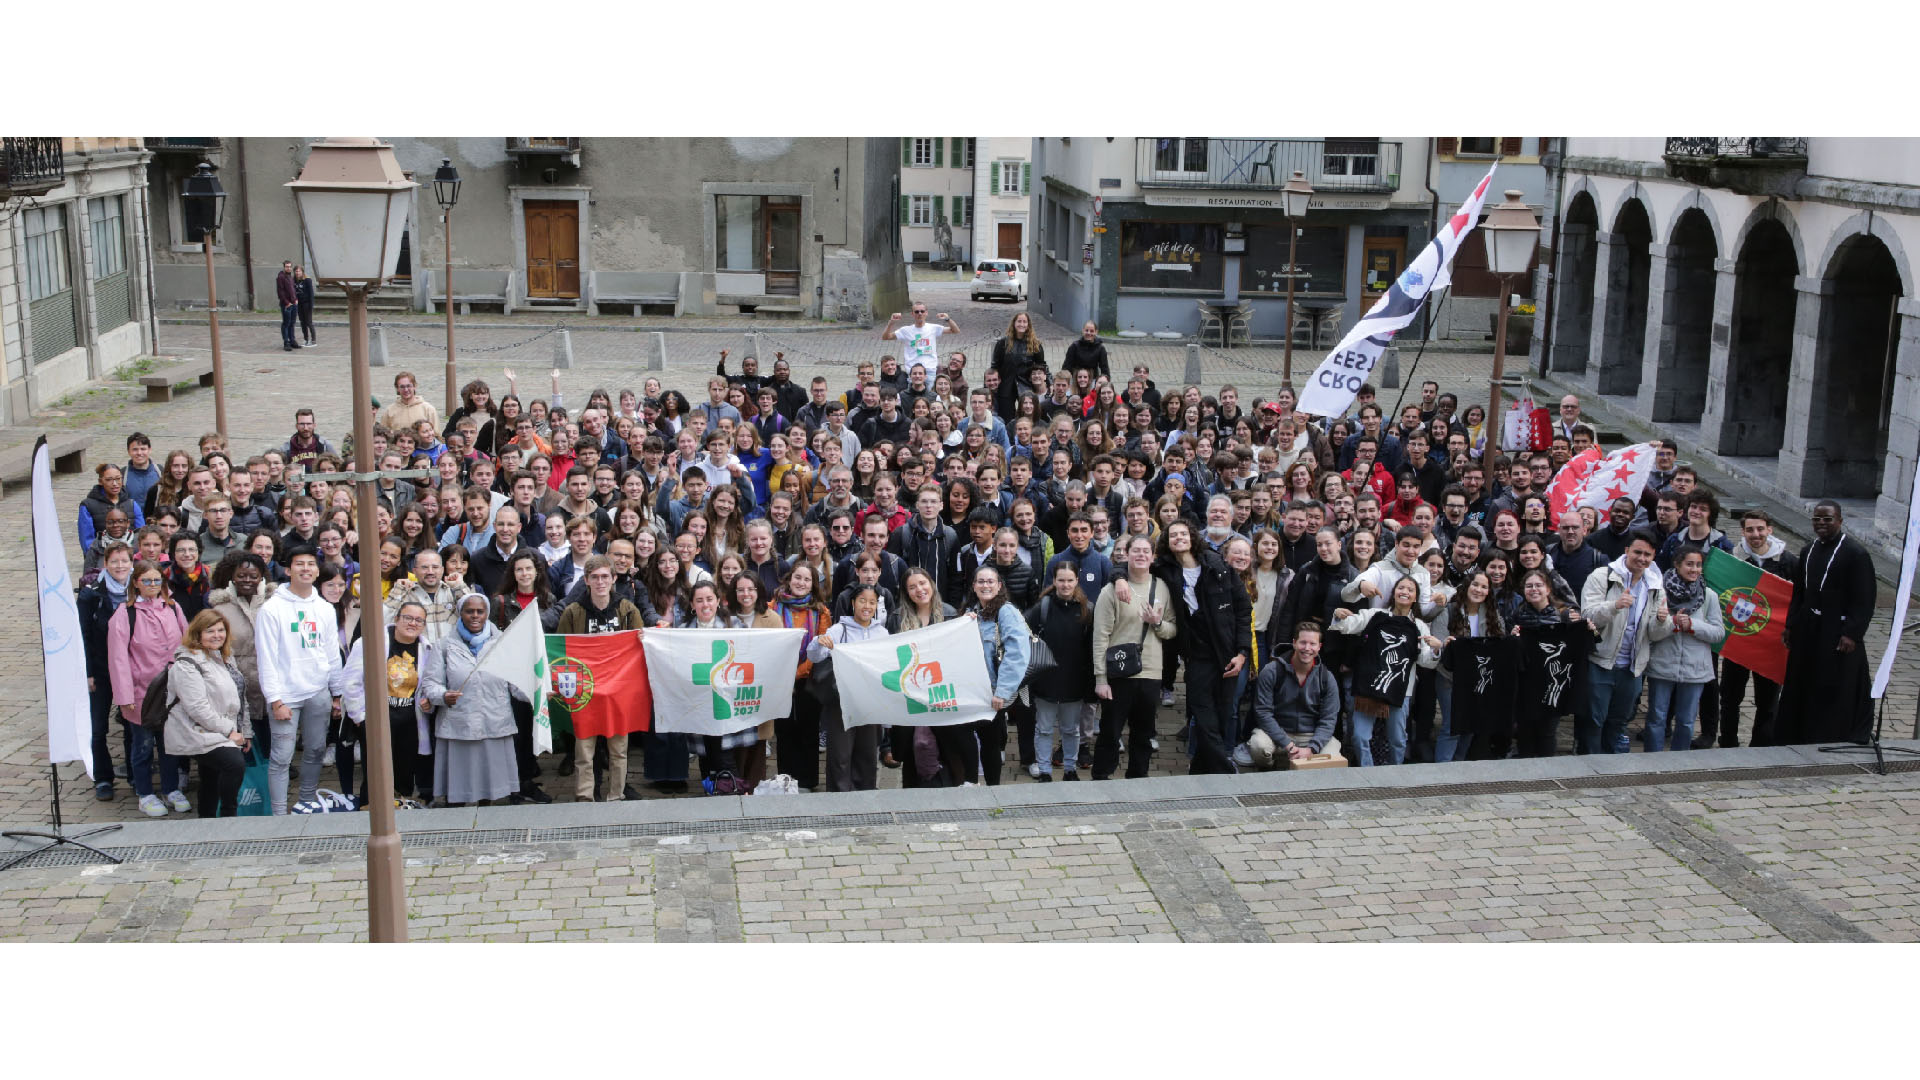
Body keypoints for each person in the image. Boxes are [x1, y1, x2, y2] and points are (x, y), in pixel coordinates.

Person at [1778, 501, 1876, 745]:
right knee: (1804, 681)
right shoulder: (1808, 550)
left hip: (1837, 629)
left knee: (1832, 685)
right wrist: (1791, 624)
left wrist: (1851, 633)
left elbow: (1864, 598)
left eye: (1827, 519)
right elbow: (1800, 591)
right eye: (1817, 519)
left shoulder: (1856, 554)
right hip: (1810, 626)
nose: (1821, 524)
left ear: (1840, 521)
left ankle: (1831, 733)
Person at [254, 545, 344, 814]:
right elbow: (266, 659)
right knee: (281, 757)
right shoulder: (272, 610)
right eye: (299, 564)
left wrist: (336, 693)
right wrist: (275, 698)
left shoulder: (325, 608)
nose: (305, 569)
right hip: (285, 696)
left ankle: (306, 802)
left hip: (318, 691)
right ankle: (279, 813)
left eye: (310, 564)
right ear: (287, 569)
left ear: (317, 570)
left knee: (316, 750)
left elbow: (331, 653)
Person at [555, 556, 649, 802]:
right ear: (586, 580)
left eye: (605, 576)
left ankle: (616, 795)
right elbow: (561, 649)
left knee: (619, 749)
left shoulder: (627, 609)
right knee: (584, 750)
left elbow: (641, 646)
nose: (600, 582)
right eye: (594, 577)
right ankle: (585, 795)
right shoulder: (573, 612)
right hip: (585, 690)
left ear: (613, 578)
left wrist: (642, 639)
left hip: (618, 689)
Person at [417, 594, 524, 806]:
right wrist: (443, 696)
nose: (475, 616)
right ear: (460, 613)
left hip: (494, 722)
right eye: (469, 611)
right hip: (459, 725)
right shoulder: (444, 645)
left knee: (488, 788)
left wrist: (539, 693)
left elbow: (516, 684)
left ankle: (484, 822)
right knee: (457, 788)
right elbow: (430, 684)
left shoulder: (503, 642)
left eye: (480, 611)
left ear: (487, 614)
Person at [1330, 576, 1443, 767]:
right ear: (1394, 592)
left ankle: (1394, 773)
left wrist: (1436, 649)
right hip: (1368, 688)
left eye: (1410, 589)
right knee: (1359, 736)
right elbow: (1347, 626)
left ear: (1415, 597)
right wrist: (1338, 615)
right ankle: (1368, 772)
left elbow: (1426, 662)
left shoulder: (1419, 627)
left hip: (1401, 693)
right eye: (1401, 588)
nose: (1405, 592)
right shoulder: (1374, 616)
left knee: (1398, 740)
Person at [107, 558, 191, 816]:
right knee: (142, 747)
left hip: (172, 691)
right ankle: (144, 793)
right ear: (136, 583)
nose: (152, 585)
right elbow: (118, 658)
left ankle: (170, 788)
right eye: (147, 580)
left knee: (169, 744)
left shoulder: (173, 608)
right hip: (141, 691)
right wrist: (124, 695)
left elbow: (187, 646)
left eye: (157, 580)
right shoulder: (125, 614)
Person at [1580, 530, 1672, 755]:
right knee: (1593, 720)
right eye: (1637, 552)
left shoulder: (1655, 585)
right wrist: (1614, 606)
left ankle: (1612, 769)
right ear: (1626, 551)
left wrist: (1662, 621)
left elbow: (1656, 633)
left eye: (1647, 555)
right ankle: (1587, 765)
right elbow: (1587, 615)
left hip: (1632, 668)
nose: (1642, 559)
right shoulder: (1602, 576)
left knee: (1619, 721)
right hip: (1600, 662)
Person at [1709, 509, 1793, 749]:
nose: (1755, 535)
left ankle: (1761, 745)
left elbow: (1797, 599)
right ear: (1742, 532)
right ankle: (1728, 741)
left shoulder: (1787, 562)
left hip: (1770, 643)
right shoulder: (1732, 559)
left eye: (1760, 529)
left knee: (1767, 700)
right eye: (1749, 530)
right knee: (1730, 697)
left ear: (1770, 529)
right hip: (1740, 640)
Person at [163, 610, 252, 817]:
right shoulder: (186, 664)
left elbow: (240, 697)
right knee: (233, 764)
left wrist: (245, 731)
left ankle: (207, 820)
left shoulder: (225, 657)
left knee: (210, 777)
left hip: (222, 729)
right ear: (197, 634)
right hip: (196, 730)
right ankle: (229, 816)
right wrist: (230, 732)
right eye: (210, 631)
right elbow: (197, 708)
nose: (217, 635)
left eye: (221, 630)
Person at [1644, 545, 1726, 752]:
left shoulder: (1709, 596)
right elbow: (1651, 632)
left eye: (1698, 565)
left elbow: (1718, 633)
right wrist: (1671, 623)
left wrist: (1693, 626)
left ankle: (1680, 760)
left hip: (1695, 668)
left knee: (1687, 720)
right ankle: (1652, 758)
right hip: (1663, 664)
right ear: (1677, 565)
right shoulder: (1659, 592)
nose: (1694, 569)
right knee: (1656, 717)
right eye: (1689, 564)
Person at [807, 583, 887, 792]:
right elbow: (814, 656)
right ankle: (839, 798)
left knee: (868, 753)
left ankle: (865, 794)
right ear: (853, 603)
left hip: (870, 702)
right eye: (862, 601)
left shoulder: (882, 633)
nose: (867, 606)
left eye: (872, 602)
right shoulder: (839, 629)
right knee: (840, 754)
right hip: (841, 702)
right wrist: (820, 642)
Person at [1508, 567, 1587, 757]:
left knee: (1547, 732)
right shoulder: (1516, 616)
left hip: (1553, 682)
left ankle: (1547, 772)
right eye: (1529, 586)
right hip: (1526, 684)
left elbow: (1584, 644)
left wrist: (1590, 630)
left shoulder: (1564, 616)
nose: (1534, 589)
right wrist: (1512, 638)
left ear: (1548, 589)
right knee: (1525, 731)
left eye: (1538, 585)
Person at [1027, 562, 1095, 782]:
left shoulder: (1087, 610)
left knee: (1070, 729)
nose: (1065, 585)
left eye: (1070, 580)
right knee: (1044, 728)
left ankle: (1070, 768)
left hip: (1074, 679)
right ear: (1054, 581)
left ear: (1077, 581)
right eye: (1061, 580)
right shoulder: (1043, 607)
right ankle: (1045, 770)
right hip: (1046, 679)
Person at [1242, 620, 1342, 768]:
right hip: (1276, 733)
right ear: (1294, 643)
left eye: (1312, 644)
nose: (1307, 648)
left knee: (1333, 757)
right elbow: (1263, 712)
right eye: (1303, 642)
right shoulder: (1272, 671)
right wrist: (1288, 745)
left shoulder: (1327, 678)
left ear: (1319, 647)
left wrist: (1312, 748)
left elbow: (1329, 719)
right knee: (1259, 746)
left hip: (1311, 735)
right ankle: (1271, 769)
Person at [769, 563, 832, 790]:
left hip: (809, 679)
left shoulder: (821, 612)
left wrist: (798, 671)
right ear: (789, 579)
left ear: (813, 585)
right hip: (779, 678)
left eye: (807, 580)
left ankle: (807, 780)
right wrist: (785, 672)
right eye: (798, 577)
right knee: (784, 732)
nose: (801, 583)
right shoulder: (773, 607)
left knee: (808, 730)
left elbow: (822, 646)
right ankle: (786, 780)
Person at [879, 302, 959, 377]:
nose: (920, 313)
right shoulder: (906, 330)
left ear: (926, 313)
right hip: (913, 371)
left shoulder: (933, 328)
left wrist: (948, 319)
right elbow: (886, 337)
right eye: (917, 312)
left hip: (930, 370)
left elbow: (955, 330)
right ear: (912, 314)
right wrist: (891, 323)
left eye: (922, 311)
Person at [276, 260, 299, 351]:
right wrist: (287, 303)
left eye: (290, 267)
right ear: (284, 267)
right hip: (287, 305)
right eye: (287, 266)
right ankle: (286, 342)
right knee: (286, 323)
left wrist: (296, 300)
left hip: (294, 304)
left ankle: (292, 340)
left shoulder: (291, 277)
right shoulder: (281, 277)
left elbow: (293, 290)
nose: (288, 268)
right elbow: (280, 292)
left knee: (292, 323)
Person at [294, 264, 317, 347]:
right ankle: (306, 339)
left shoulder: (307, 280)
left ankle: (313, 340)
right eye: (296, 271)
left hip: (307, 303)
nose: (297, 273)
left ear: (302, 272)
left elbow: (311, 293)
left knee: (309, 322)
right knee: (302, 322)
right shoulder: (294, 280)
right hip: (299, 304)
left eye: (299, 271)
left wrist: (311, 305)